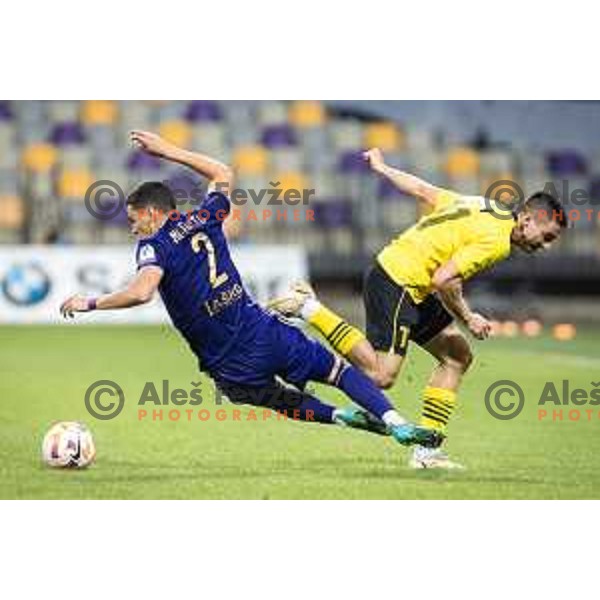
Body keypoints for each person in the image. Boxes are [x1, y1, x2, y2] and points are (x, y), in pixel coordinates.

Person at [60, 132, 442, 451]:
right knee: (338, 371)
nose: (132, 228)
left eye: (133, 220)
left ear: (152, 213)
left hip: (227, 362)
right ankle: (395, 421)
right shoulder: (204, 217)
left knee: (268, 398)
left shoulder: (153, 245)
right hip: (263, 331)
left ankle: (337, 416)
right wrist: (167, 151)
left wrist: (90, 302)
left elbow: (142, 292)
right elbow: (223, 171)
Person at [268, 147, 568, 469]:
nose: (545, 246)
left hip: (411, 283)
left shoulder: (488, 206)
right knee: (381, 376)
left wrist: (383, 168)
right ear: (525, 219)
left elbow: (424, 191)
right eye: (546, 235)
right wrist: (468, 317)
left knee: (456, 356)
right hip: (398, 281)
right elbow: (444, 280)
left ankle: (427, 452)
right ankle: (309, 308)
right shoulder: (496, 241)